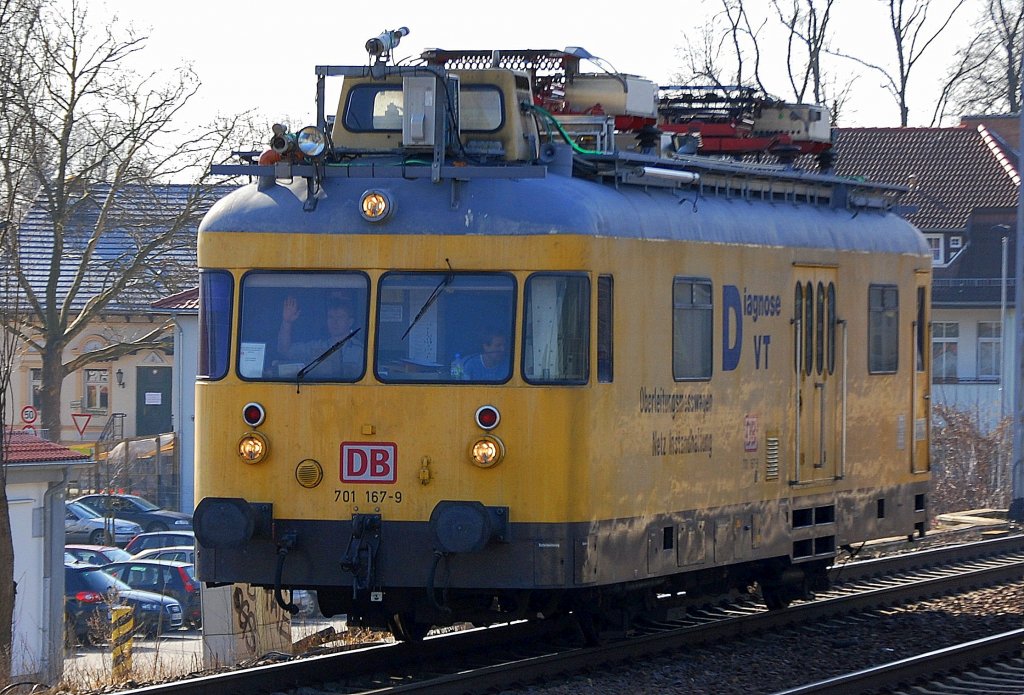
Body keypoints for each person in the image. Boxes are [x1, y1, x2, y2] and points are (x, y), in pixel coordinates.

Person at [277, 296, 363, 378]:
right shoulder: (316, 347)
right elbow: (285, 350)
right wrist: (287, 322)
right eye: (331, 317)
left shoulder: (361, 351)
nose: (334, 322)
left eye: (340, 317)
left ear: (350, 322)